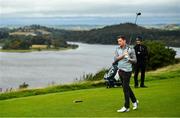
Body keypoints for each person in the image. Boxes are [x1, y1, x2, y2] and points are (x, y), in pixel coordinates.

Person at [114, 36, 138, 113]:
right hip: (120, 70)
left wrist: (129, 59)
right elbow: (115, 59)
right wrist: (123, 55)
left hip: (127, 71)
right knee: (127, 87)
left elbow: (135, 61)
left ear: (124, 41)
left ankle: (126, 107)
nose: (119, 43)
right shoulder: (117, 49)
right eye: (118, 41)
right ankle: (134, 101)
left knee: (125, 89)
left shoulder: (131, 49)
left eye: (120, 41)